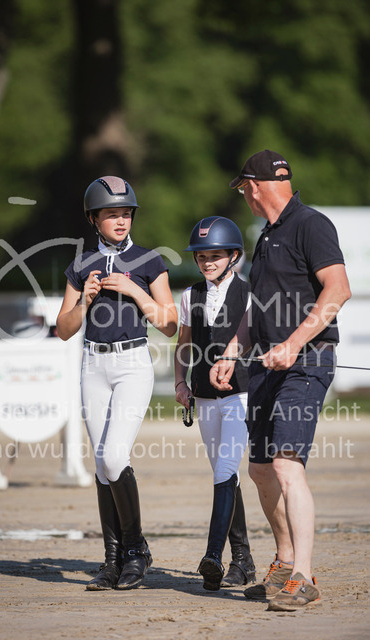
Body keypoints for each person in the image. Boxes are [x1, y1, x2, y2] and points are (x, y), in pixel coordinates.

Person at [210, 150, 351, 610]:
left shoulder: (311, 224)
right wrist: (233, 350)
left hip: (306, 363)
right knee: (260, 469)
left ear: (252, 186)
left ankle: (304, 578)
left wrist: (292, 343)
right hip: (265, 367)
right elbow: (257, 309)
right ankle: (285, 563)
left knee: (288, 466)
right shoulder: (267, 235)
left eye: (243, 189)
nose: (244, 196)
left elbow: (338, 289)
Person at [57, 176, 178, 591]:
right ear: (94, 219)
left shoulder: (149, 261)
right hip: (93, 364)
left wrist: (135, 292)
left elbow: (170, 323)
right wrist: (83, 301)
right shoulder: (81, 265)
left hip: (131, 365)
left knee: (113, 457)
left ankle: (136, 549)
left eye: (126, 213)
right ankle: (112, 560)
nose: (122, 221)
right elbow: (64, 329)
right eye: (112, 214)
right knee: (102, 465)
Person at [174, 216, 256, 591]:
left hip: (241, 392)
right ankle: (243, 560)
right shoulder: (189, 295)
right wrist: (180, 382)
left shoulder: (250, 292)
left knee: (225, 468)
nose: (207, 262)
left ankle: (213, 555)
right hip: (205, 397)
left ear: (233, 256)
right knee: (226, 476)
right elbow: (184, 345)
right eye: (202, 256)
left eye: (215, 256)